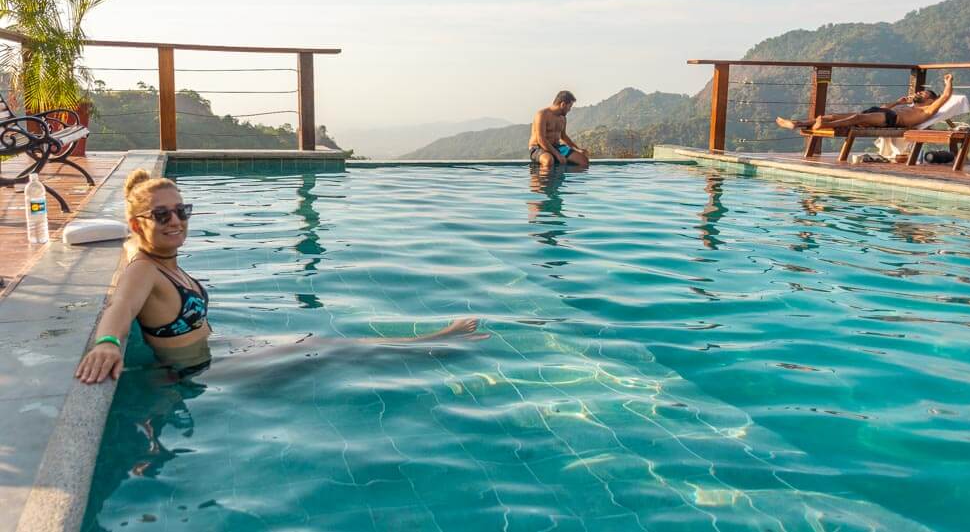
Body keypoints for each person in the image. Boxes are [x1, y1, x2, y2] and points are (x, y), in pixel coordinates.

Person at [75, 169, 486, 384]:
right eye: (161, 215)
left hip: (218, 351)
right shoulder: (144, 269)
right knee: (328, 350)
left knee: (320, 343)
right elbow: (121, 305)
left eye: (182, 211)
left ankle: (425, 345)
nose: (175, 221)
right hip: (200, 371)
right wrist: (108, 344)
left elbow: (130, 248)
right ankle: (430, 347)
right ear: (136, 224)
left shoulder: (158, 256)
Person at [775, 73, 954, 131]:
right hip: (884, 113)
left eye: (922, 92)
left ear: (930, 98)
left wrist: (948, 83)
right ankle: (798, 123)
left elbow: (945, 97)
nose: (919, 93)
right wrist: (896, 102)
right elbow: (883, 110)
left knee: (857, 117)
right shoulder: (910, 106)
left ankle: (824, 126)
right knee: (834, 115)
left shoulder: (929, 109)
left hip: (891, 120)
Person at [529, 90, 590, 169]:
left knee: (583, 161)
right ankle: (543, 179)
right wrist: (557, 155)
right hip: (538, 147)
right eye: (570, 106)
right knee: (548, 161)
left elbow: (563, 136)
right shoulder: (542, 115)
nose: (570, 109)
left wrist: (578, 149)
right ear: (563, 104)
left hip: (557, 147)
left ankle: (565, 178)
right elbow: (541, 139)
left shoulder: (563, 118)